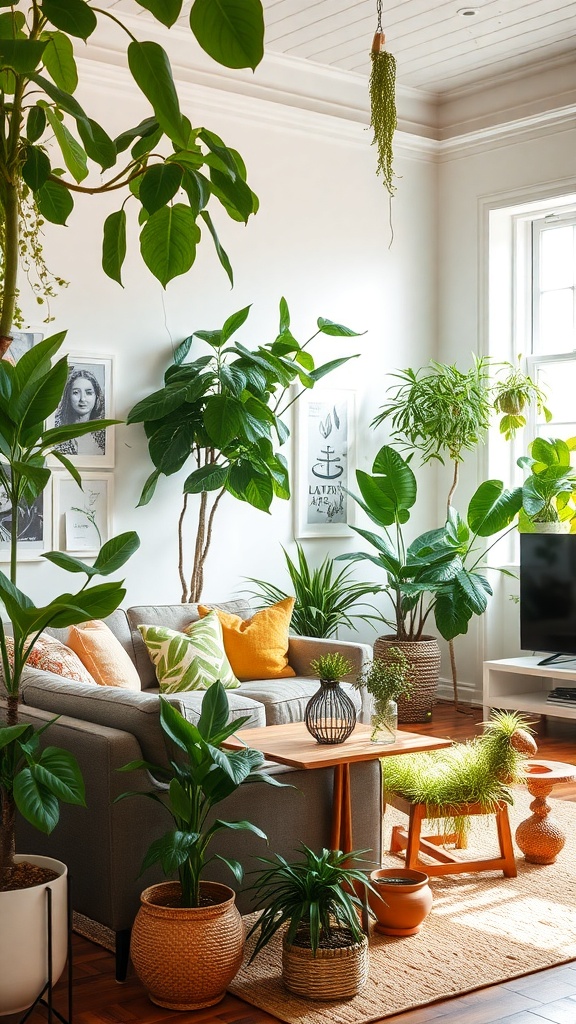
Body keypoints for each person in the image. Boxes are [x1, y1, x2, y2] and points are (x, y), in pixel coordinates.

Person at [55, 367, 106, 456]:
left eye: (89, 393)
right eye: (76, 392)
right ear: (68, 396)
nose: (82, 399)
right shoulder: (57, 430)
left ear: (96, 396)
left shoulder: (103, 434)